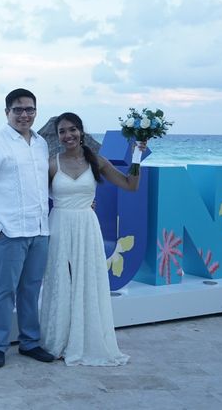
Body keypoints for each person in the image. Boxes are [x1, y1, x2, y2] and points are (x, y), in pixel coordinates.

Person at [40, 112, 145, 366]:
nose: (68, 135)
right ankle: (58, 341)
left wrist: (138, 157)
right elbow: (36, 198)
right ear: (57, 136)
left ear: (81, 132)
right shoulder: (51, 163)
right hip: (60, 226)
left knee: (86, 281)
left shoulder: (97, 162)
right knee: (60, 281)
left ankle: (85, 339)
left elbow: (131, 185)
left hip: (87, 227)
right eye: (63, 131)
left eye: (73, 129)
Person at [0, 88, 54, 367]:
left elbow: (43, 185)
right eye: (18, 110)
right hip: (8, 232)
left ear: (36, 112)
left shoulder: (41, 143)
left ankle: (30, 343)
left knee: (31, 289)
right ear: (7, 112)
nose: (24, 115)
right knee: (4, 292)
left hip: (39, 230)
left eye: (29, 109)